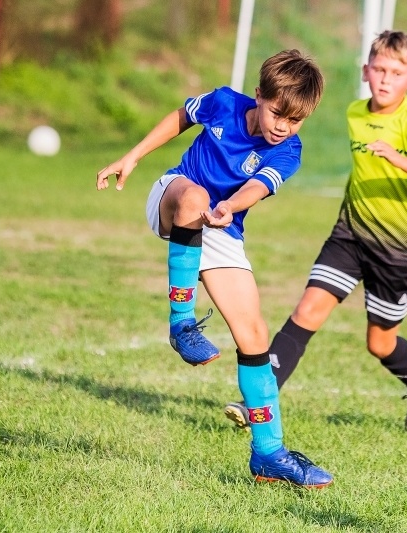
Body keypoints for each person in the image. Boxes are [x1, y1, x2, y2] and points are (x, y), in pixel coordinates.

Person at [96, 49, 332, 488]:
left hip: (221, 223)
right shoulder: (224, 102)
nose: (284, 126)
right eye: (277, 113)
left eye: (296, 120)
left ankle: (269, 454)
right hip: (174, 196)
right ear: (258, 95)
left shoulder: (289, 151)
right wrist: (133, 156)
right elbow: (181, 117)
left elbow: (257, 187)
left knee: (254, 334)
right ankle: (181, 323)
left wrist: (230, 207)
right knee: (195, 198)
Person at [224, 31, 407, 432]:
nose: (386, 79)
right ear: (365, 71)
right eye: (379, 69)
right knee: (307, 311)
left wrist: (398, 158)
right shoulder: (354, 113)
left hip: (397, 249)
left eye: (397, 73)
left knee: (379, 343)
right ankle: (257, 402)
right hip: (350, 234)